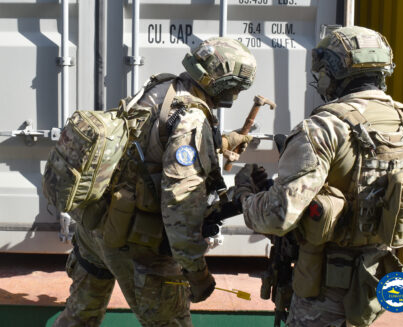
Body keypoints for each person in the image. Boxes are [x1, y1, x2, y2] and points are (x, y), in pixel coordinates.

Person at [234, 26, 403, 327]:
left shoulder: (323, 129)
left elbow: (277, 217)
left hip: (324, 294)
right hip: (379, 285)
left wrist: (245, 199)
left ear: (332, 75)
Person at [53, 37, 256, 327]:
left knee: (79, 317)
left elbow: (148, 150)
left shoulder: (161, 87)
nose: (237, 93)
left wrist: (219, 142)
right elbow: (180, 207)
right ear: (221, 82)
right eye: (236, 85)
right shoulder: (192, 120)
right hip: (137, 243)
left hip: (95, 226)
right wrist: (196, 272)